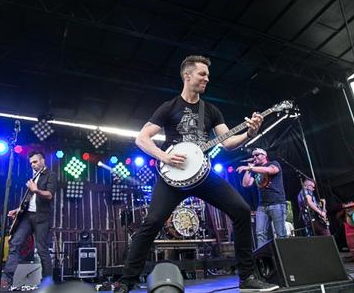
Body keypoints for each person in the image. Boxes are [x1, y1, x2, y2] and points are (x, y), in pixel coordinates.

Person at [113, 55, 279, 292]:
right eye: (202, 74)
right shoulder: (169, 107)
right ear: (187, 75)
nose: (207, 79)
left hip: (203, 175)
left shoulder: (210, 110)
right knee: (151, 223)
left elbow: (229, 141)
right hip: (172, 176)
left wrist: (249, 134)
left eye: (208, 75)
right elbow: (141, 138)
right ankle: (125, 282)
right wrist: (164, 156)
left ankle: (247, 277)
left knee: (241, 211)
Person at [0, 151, 58, 288]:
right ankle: (7, 279)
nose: (33, 165)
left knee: (41, 249)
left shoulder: (51, 175)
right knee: (15, 242)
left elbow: (49, 195)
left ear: (43, 161)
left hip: (42, 217)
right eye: (31, 163)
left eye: (35, 162)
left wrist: (36, 189)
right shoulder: (33, 177)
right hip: (27, 216)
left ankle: (47, 282)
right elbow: (29, 199)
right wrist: (18, 209)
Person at [237, 148, 287, 248]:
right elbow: (246, 184)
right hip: (262, 205)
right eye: (253, 156)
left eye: (257, 155)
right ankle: (264, 259)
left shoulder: (273, 163)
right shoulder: (255, 170)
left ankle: (285, 258)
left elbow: (271, 170)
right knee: (260, 233)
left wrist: (250, 169)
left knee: (281, 234)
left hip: (276, 202)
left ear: (264, 155)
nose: (254, 157)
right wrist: (249, 168)